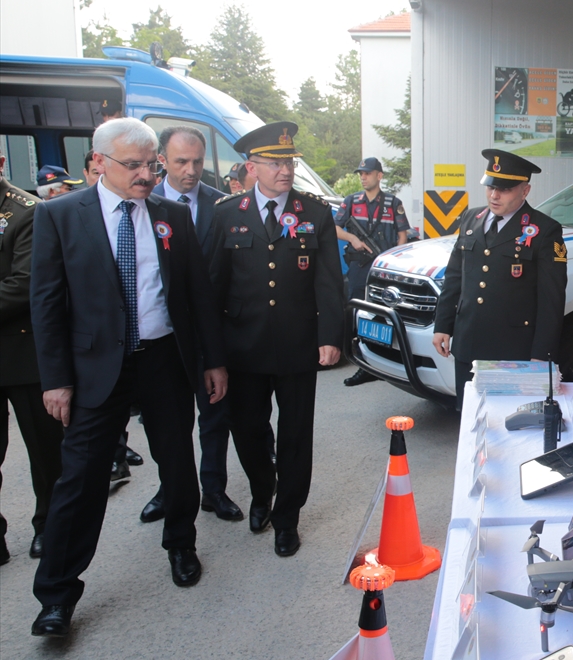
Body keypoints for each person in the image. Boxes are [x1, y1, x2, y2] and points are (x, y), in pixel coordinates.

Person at [29, 118, 227, 637]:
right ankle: (57, 595)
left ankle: (181, 545)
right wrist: (55, 379)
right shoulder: (58, 216)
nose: (146, 175)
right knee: (81, 479)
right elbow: (46, 304)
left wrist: (211, 360)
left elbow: (196, 295)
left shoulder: (170, 216)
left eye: (150, 164)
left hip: (163, 360)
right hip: (96, 367)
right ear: (97, 163)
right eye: (133, 165)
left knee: (178, 462)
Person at [209, 121, 343, 557]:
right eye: (275, 162)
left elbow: (328, 282)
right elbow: (213, 286)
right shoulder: (226, 214)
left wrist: (330, 336)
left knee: (295, 436)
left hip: (298, 344)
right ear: (252, 167)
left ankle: (288, 517)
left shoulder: (315, 213)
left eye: (288, 161)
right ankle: (262, 491)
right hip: (243, 347)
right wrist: (212, 352)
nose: (285, 170)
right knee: (248, 431)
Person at [138, 126, 242, 523]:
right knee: (168, 423)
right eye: (182, 161)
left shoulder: (221, 206)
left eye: (198, 161)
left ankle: (214, 489)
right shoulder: (143, 201)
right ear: (161, 160)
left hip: (214, 333)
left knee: (216, 416)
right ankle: (170, 488)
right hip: (168, 339)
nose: (192, 170)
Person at [433, 149, 567, 410]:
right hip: (468, 342)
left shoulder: (544, 230)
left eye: (504, 189)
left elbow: (552, 298)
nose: (494, 195)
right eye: (491, 186)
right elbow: (455, 276)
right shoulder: (472, 218)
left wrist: (542, 354)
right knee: (470, 414)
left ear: (525, 191)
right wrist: (443, 324)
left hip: (513, 348)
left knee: (506, 420)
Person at [0, 162, 64, 565]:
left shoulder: (25, 210)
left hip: (22, 354)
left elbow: (23, 283)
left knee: (45, 453)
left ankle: (49, 526)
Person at [336, 157, 411, 387]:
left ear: (379, 176)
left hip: (384, 269)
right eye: (361, 173)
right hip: (359, 266)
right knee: (359, 313)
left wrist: (394, 261)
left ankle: (385, 362)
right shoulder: (351, 201)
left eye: (367, 173)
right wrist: (353, 239)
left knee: (386, 314)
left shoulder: (392, 203)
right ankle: (364, 364)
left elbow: (402, 235)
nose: (363, 176)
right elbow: (335, 227)